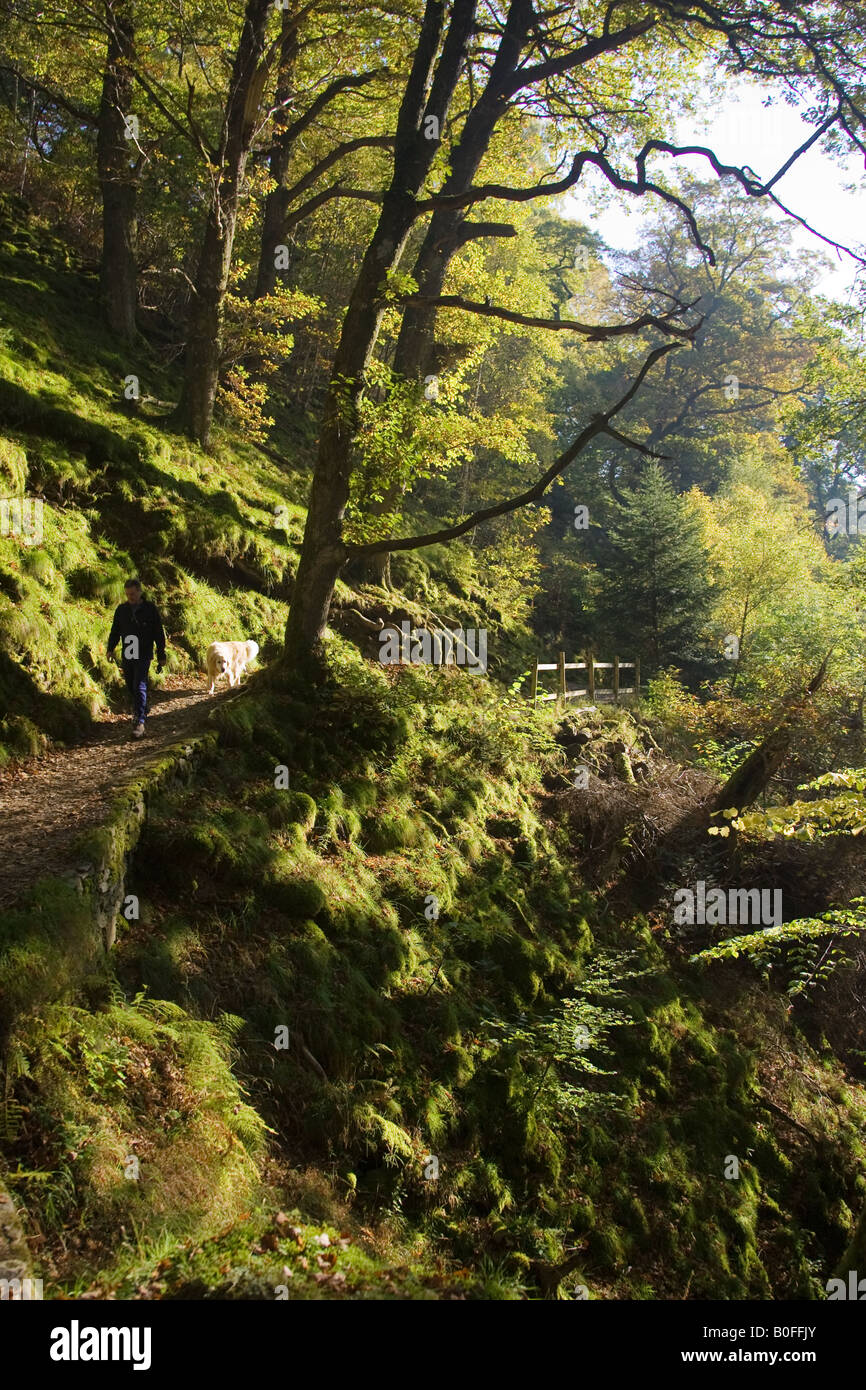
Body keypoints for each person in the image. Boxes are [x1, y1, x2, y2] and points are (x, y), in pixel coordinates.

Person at [107, 578, 166, 738]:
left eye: (132, 594)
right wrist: (110, 649)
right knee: (131, 685)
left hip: (144, 652)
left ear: (140, 592)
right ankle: (143, 707)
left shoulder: (150, 609)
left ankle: (139, 721)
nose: (130, 597)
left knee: (139, 684)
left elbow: (158, 633)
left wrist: (161, 654)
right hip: (128, 652)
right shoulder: (121, 610)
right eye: (127, 594)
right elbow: (115, 631)